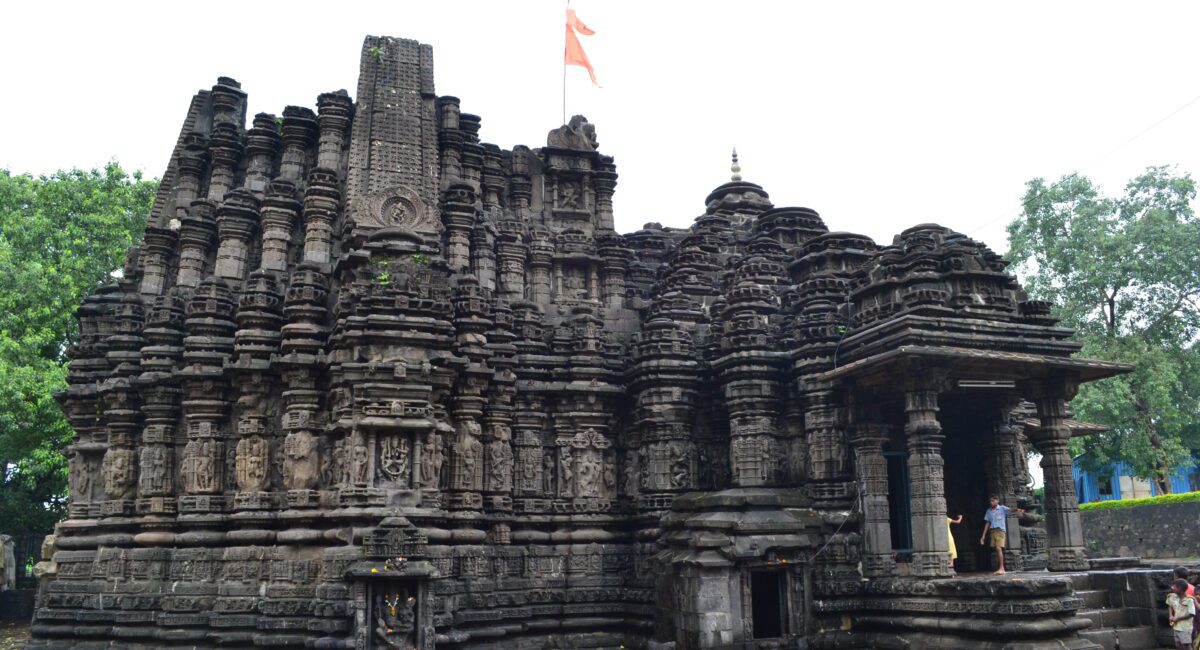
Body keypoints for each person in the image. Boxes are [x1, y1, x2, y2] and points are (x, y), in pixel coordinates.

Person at [979, 495, 1024, 575]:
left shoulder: (1002, 508)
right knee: (996, 549)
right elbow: (987, 523)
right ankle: (1000, 568)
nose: (991, 502)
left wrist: (1018, 509)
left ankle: (1002, 568)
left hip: (1000, 530)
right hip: (992, 531)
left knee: (998, 548)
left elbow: (1010, 510)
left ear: (997, 501)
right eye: (990, 501)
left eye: (993, 501)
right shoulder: (988, 511)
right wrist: (983, 536)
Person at [1167, 578, 1195, 650]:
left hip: (1185, 627)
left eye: (1174, 586)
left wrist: (1178, 618)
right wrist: (1171, 615)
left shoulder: (1189, 600)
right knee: (1178, 644)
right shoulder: (1172, 596)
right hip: (1176, 626)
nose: (1172, 587)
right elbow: (1170, 605)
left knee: (1186, 645)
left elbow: (1191, 613)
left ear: (1180, 588)